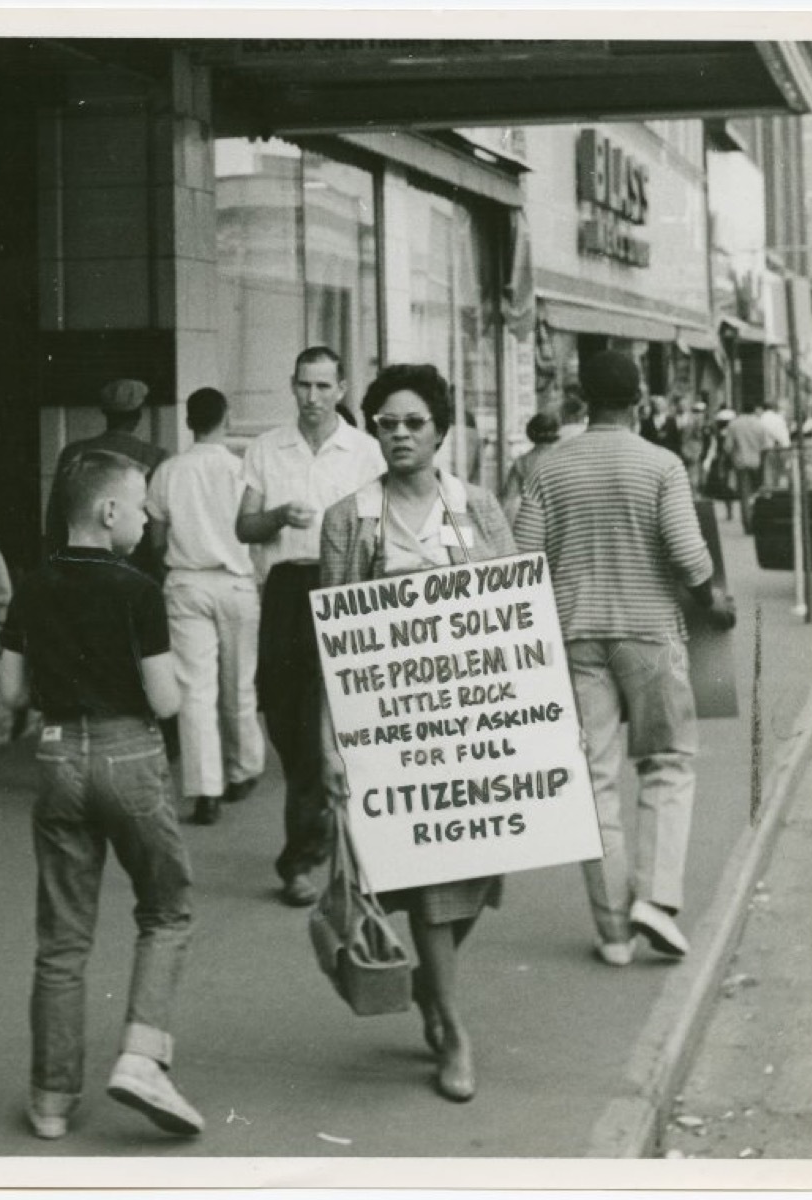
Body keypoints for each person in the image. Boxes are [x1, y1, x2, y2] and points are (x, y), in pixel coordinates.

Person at [320, 363, 516, 1104]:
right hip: (389, 731)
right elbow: (330, 633)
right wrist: (328, 740)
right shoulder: (351, 517)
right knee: (434, 883)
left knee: (483, 876)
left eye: (413, 423)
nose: (399, 435)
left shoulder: (476, 506)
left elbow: (513, 606)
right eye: (386, 423)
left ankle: (433, 993)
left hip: (477, 724)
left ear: (440, 430)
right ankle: (454, 1027)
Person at [0, 451, 203, 1141]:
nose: (147, 518)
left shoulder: (31, 585)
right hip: (130, 756)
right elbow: (165, 699)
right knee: (166, 911)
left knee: (62, 941)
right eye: (141, 504)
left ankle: (51, 1100)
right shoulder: (139, 590)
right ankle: (143, 1057)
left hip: (58, 754)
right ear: (109, 512)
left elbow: (11, 694)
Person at [513, 351, 736, 967]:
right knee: (667, 763)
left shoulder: (548, 468)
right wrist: (711, 600)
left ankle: (612, 932)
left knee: (595, 782)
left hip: (576, 638)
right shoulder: (659, 464)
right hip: (650, 634)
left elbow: (522, 558)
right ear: (638, 399)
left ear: (581, 399)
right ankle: (657, 902)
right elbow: (690, 557)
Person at [236, 347, 384, 906]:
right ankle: (317, 830)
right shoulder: (267, 448)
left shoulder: (365, 452)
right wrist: (278, 516)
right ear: (292, 386)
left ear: (342, 388)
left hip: (346, 588)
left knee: (347, 722)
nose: (313, 398)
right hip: (287, 592)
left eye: (324, 387)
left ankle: (310, 856)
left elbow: (382, 528)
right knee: (288, 720)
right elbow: (245, 525)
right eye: (304, 386)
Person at [147, 387, 265, 827]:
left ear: (188, 421)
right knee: (240, 684)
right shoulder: (243, 470)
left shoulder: (168, 471)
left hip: (186, 582)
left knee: (195, 691)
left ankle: (205, 790)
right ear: (227, 418)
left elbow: (156, 537)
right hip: (236, 582)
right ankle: (243, 770)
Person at [44, 379, 167, 578]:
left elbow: (55, 516)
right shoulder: (155, 456)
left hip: (79, 565)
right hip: (135, 568)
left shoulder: (73, 452)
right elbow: (156, 524)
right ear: (138, 416)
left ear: (105, 413)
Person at [499, 410, 561, 526]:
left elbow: (509, 500)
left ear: (530, 433)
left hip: (531, 520)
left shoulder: (522, 462)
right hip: (559, 517)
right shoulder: (563, 457)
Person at [723, 402, 776, 533]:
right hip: (757, 462)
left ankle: (748, 524)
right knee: (756, 493)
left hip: (741, 463)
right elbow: (766, 445)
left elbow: (728, 447)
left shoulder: (734, 424)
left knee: (744, 495)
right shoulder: (759, 424)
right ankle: (756, 519)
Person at [702, 407, 737, 520]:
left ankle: (729, 511)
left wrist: (708, 461)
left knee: (725, 486)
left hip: (723, 462)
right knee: (728, 487)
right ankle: (729, 510)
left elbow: (713, 448)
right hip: (728, 462)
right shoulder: (730, 433)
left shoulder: (718, 434)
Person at [639, 393, 683, 458]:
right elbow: (643, 439)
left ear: (665, 405)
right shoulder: (647, 422)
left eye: (661, 403)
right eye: (657, 404)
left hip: (668, 454)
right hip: (651, 455)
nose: (659, 406)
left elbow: (676, 440)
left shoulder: (671, 421)